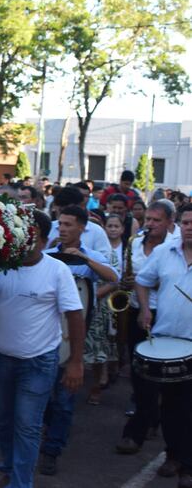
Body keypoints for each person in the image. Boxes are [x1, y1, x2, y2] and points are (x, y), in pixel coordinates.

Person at [0, 211, 84, 488]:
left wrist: (76, 361)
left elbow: (75, 315)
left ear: (43, 241)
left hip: (38, 363)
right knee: (2, 421)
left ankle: (20, 483)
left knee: (27, 426)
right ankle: (8, 467)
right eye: (16, 234)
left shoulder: (57, 271)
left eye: (29, 236)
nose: (21, 240)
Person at [39, 205, 117, 476]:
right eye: (60, 224)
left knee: (64, 397)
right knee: (43, 394)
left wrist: (85, 260)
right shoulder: (48, 254)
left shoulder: (90, 255)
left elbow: (113, 278)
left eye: (68, 225)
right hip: (45, 334)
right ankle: (47, 432)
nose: (62, 229)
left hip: (74, 334)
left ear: (83, 227)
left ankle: (52, 449)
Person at [128, 203, 192, 487]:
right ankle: (174, 454)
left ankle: (187, 465)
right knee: (171, 406)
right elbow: (142, 281)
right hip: (169, 343)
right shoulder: (165, 253)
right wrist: (144, 310)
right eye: (187, 222)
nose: (190, 227)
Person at [116, 201, 177, 477]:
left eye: (156, 220)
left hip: (164, 315)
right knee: (140, 374)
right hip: (137, 310)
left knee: (164, 378)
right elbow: (133, 276)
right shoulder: (135, 242)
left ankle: (151, 425)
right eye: (148, 219)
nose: (149, 224)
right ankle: (143, 423)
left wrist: (148, 280)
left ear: (169, 223)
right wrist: (130, 283)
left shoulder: (175, 247)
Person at [85, 213, 123, 405]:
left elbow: (114, 282)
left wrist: (91, 297)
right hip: (78, 306)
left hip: (98, 308)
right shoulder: (77, 251)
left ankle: (96, 386)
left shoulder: (108, 254)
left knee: (97, 350)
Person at [47, 186, 111, 259]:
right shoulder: (48, 228)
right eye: (60, 211)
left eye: (69, 211)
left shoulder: (96, 231)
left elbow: (105, 260)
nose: (64, 215)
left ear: (80, 207)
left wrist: (84, 258)